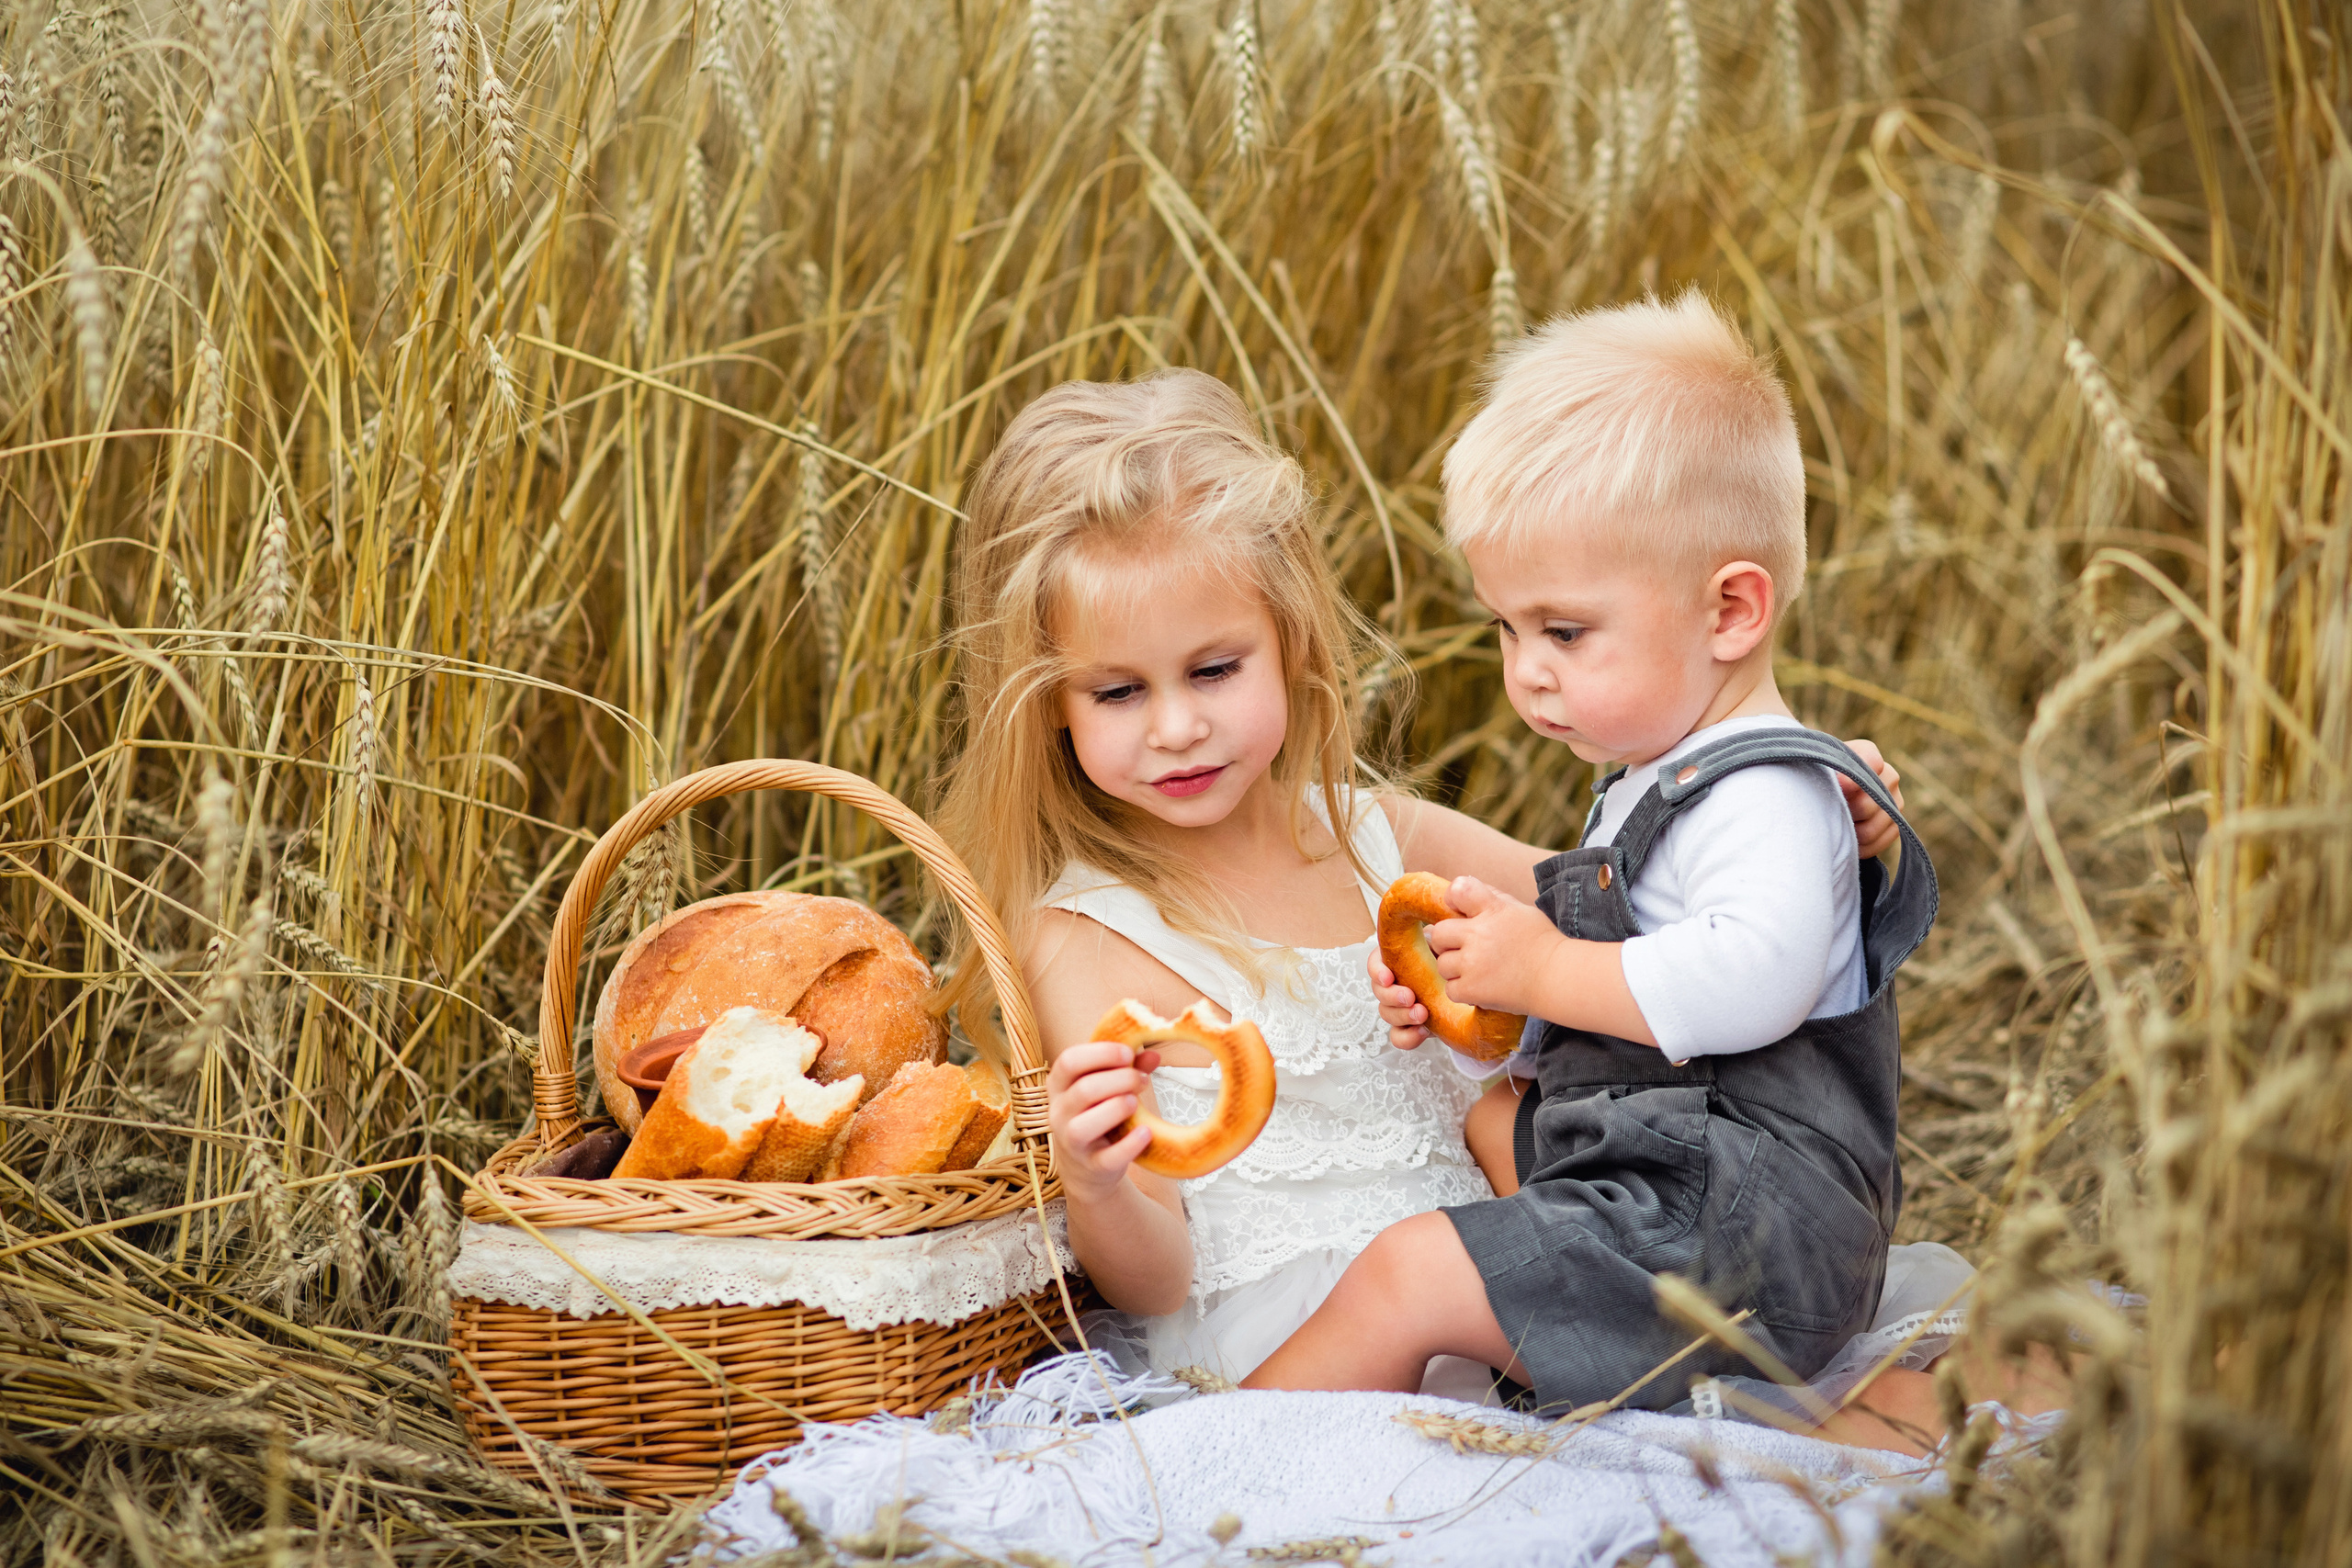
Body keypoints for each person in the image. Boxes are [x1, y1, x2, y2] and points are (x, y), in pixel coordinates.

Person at [933, 365, 1910, 1393]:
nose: (1177, 726)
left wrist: (1804, 832)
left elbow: (1646, 924)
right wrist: (1095, 1184)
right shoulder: (1083, 934)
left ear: (1288, 641)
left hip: (1504, 1290)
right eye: (1119, 691)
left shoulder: (1374, 837)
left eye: (1215, 670)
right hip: (1298, 1357)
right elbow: (1154, 1282)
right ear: (1049, 701)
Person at [1246, 293, 1939, 1415]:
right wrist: (1485, 1010)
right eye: (1506, 628)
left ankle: (1215, 1450)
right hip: (1676, 1182)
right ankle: (1562, 1341)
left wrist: (1545, 969)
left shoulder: (1765, 787)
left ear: (1729, 613)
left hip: (1744, 1232)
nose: (1526, 669)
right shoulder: (1647, 781)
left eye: (1563, 631)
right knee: (1481, 1115)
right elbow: (1614, 1038)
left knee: (1408, 1271)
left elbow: (1753, 984)